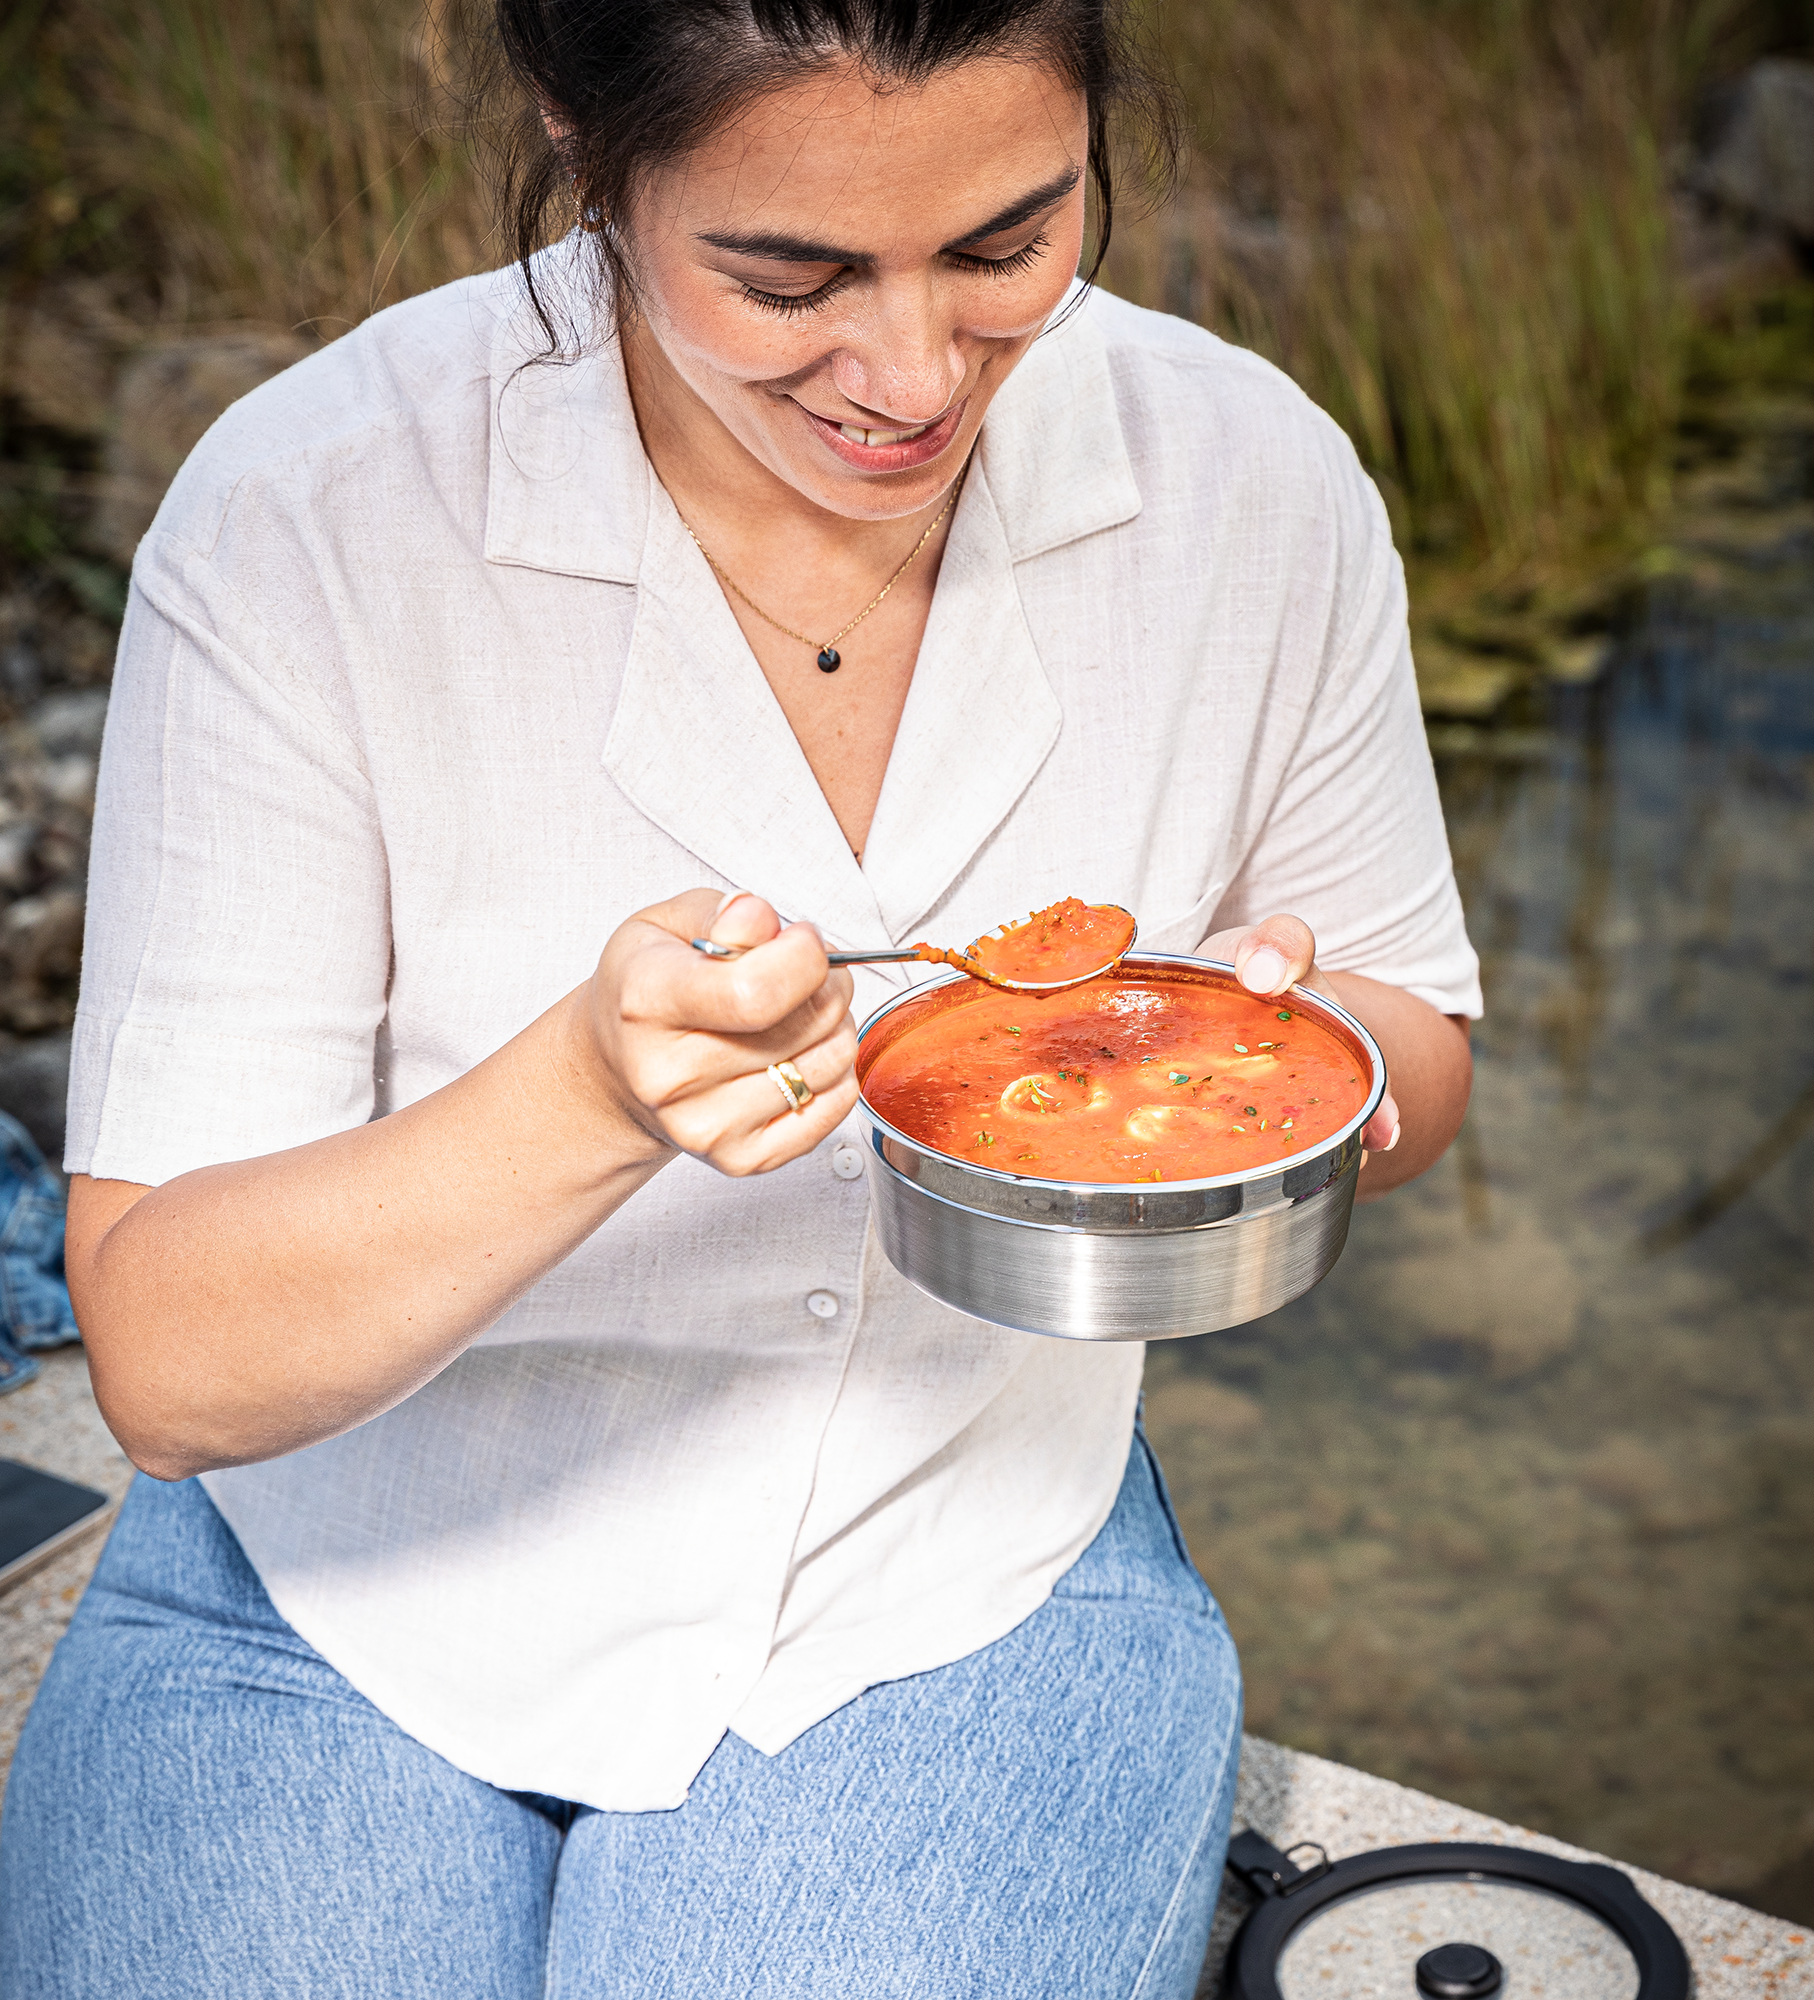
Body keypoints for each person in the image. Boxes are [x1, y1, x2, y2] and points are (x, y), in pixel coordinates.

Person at [0, 0, 1479, 1992]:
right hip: (333, 1582)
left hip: (965, 1556)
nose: (910, 373)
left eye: (1005, 244)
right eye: (787, 279)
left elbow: (1415, 1050)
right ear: (583, 148)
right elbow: (169, 1361)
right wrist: (589, 1100)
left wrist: (1261, 1056)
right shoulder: (310, 518)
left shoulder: (1253, 488)